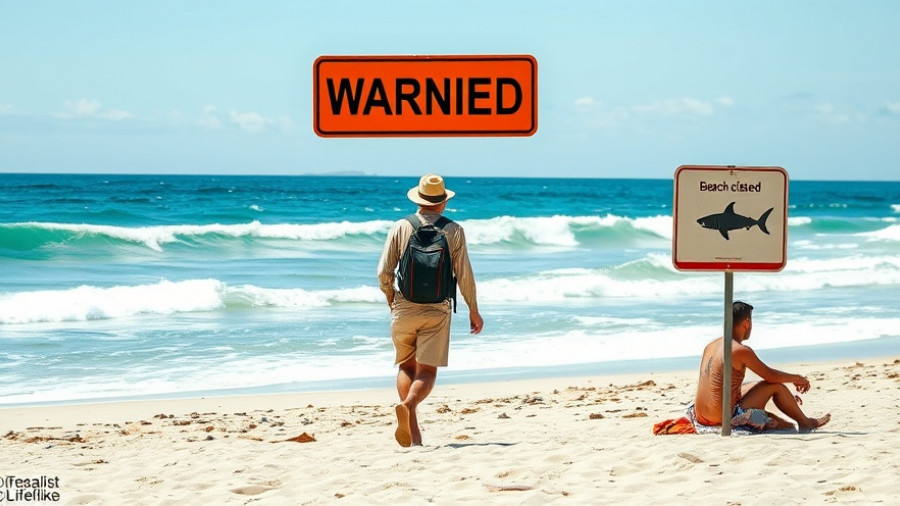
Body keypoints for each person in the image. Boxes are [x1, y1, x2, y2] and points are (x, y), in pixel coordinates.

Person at [377, 173, 484, 447]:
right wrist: (473, 309)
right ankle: (410, 404)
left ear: (419, 199)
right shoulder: (454, 230)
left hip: (404, 306)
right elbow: (464, 274)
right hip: (437, 309)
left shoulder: (401, 226)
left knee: (406, 365)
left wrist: (391, 298)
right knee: (427, 371)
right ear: (443, 203)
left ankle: (413, 436)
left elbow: (384, 271)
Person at [694, 301, 831, 432]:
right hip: (722, 419)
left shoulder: (711, 346)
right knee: (779, 398)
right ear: (747, 323)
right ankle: (805, 424)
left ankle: (798, 418)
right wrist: (798, 379)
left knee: (757, 385)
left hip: (700, 416)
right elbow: (770, 376)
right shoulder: (739, 350)